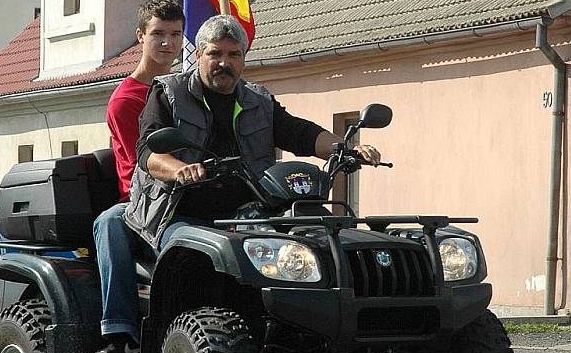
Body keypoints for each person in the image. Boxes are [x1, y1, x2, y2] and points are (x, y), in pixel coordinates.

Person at [124, 14, 381, 250]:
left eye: (234, 54)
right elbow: (149, 151)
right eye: (215, 53)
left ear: (244, 58)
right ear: (199, 54)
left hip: (252, 215)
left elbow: (298, 132)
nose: (224, 63)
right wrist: (180, 169)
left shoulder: (258, 100)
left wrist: (345, 149)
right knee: (195, 255)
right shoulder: (169, 93)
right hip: (181, 215)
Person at [85, 0, 185, 353]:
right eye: (158, 33)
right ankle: (120, 334)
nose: (167, 43)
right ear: (140, 37)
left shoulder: (189, 92)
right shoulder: (127, 100)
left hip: (193, 191)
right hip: (143, 199)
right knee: (109, 222)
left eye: (175, 34)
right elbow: (146, 164)